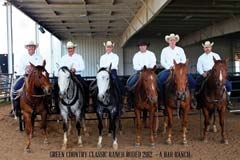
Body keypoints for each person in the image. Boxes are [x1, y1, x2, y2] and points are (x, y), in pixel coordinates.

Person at [157, 33, 196, 109]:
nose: (172, 41)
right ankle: (161, 100)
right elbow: (162, 61)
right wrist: (169, 67)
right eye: (171, 40)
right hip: (169, 70)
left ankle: (192, 98)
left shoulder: (180, 50)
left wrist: (178, 67)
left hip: (179, 70)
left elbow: (184, 60)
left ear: (176, 41)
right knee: (159, 81)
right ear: (168, 41)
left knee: (193, 82)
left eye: (174, 40)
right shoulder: (164, 50)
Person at [195, 41, 233, 109]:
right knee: (197, 83)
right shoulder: (201, 57)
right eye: (206, 47)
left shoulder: (216, 55)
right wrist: (202, 73)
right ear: (204, 48)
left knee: (228, 85)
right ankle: (198, 100)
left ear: (211, 47)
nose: (207, 49)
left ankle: (228, 100)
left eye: (208, 47)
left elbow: (220, 65)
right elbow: (198, 67)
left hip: (216, 74)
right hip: (206, 73)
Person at [12, 40, 44, 116]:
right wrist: (26, 69)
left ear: (34, 48)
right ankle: (17, 109)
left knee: (45, 89)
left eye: (32, 46)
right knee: (15, 90)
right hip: (25, 76)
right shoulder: (23, 57)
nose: (31, 48)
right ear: (27, 48)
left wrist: (33, 69)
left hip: (36, 78)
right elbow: (20, 68)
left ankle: (45, 106)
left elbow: (40, 68)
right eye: (29, 46)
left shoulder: (39, 57)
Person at [126, 40, 156, 109]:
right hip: (139, 73)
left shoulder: (151, 54)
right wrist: (141, 68)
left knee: (159, 83)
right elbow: (135, 66)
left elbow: (153, 63)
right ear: (139, 47)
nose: (142, 47)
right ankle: (130, 102)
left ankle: (159, 101)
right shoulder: (136, 55)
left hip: (149, 73)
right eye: (141, 46)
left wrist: (148, 68)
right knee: (130, 84)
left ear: (146, 46)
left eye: (144, 46)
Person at [99, 40, 122, 114]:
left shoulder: (115, 56)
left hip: (112, 72)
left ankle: (119, 106)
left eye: (110, 47)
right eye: (107, 47)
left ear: (112, 48)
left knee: (117, 85)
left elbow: (114, 65)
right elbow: (101, 66)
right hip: (104, 72)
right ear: (105, 47)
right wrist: (106, 68)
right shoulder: (102, 57)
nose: (108, 48)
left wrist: (107, 68)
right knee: (97, 84)